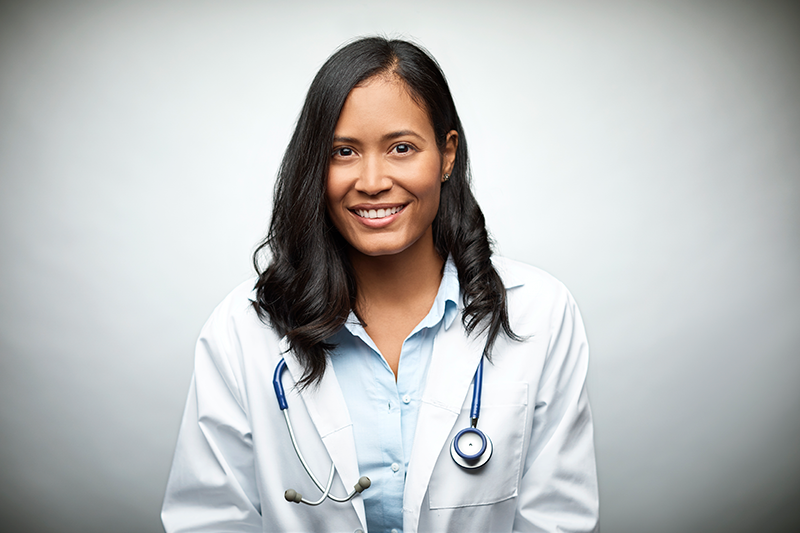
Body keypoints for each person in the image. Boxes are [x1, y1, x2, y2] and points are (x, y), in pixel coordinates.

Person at [162, 36, 599, 533]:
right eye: (344, 152)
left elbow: (557, 521)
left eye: (401, 148)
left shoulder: (541, 312)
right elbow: (210, 520)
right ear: (315, 167)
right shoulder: (243, 328)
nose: (371, 181)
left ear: (447, 154)